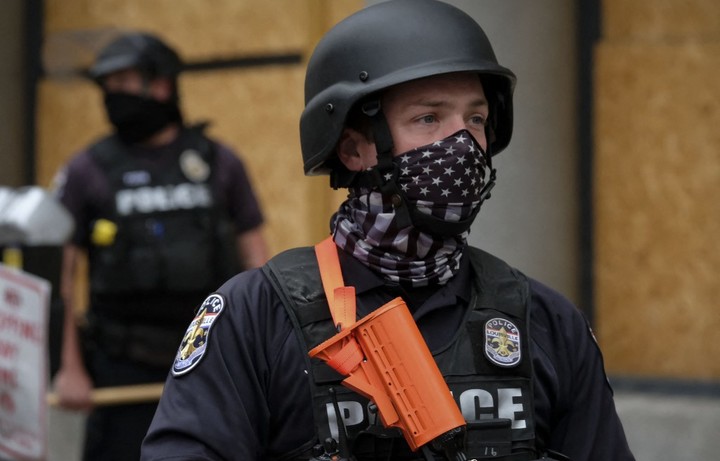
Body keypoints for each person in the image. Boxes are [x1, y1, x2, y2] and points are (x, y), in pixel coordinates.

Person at [141, 1, 635, 460]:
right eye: (428, 117)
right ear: (354, 149)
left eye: (476, 118)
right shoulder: (255, 316)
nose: (462, 143)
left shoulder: (544, 321)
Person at [51, 31, 269, 461]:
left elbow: (257, 264)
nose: (114, 95)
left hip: (213, 360)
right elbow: (64, 278)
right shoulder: (86, 170)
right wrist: (68, 367)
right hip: (121, 369)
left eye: (124, 82)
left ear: (162, 84)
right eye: (107, 86)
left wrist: (262, 355)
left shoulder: (218, 162)